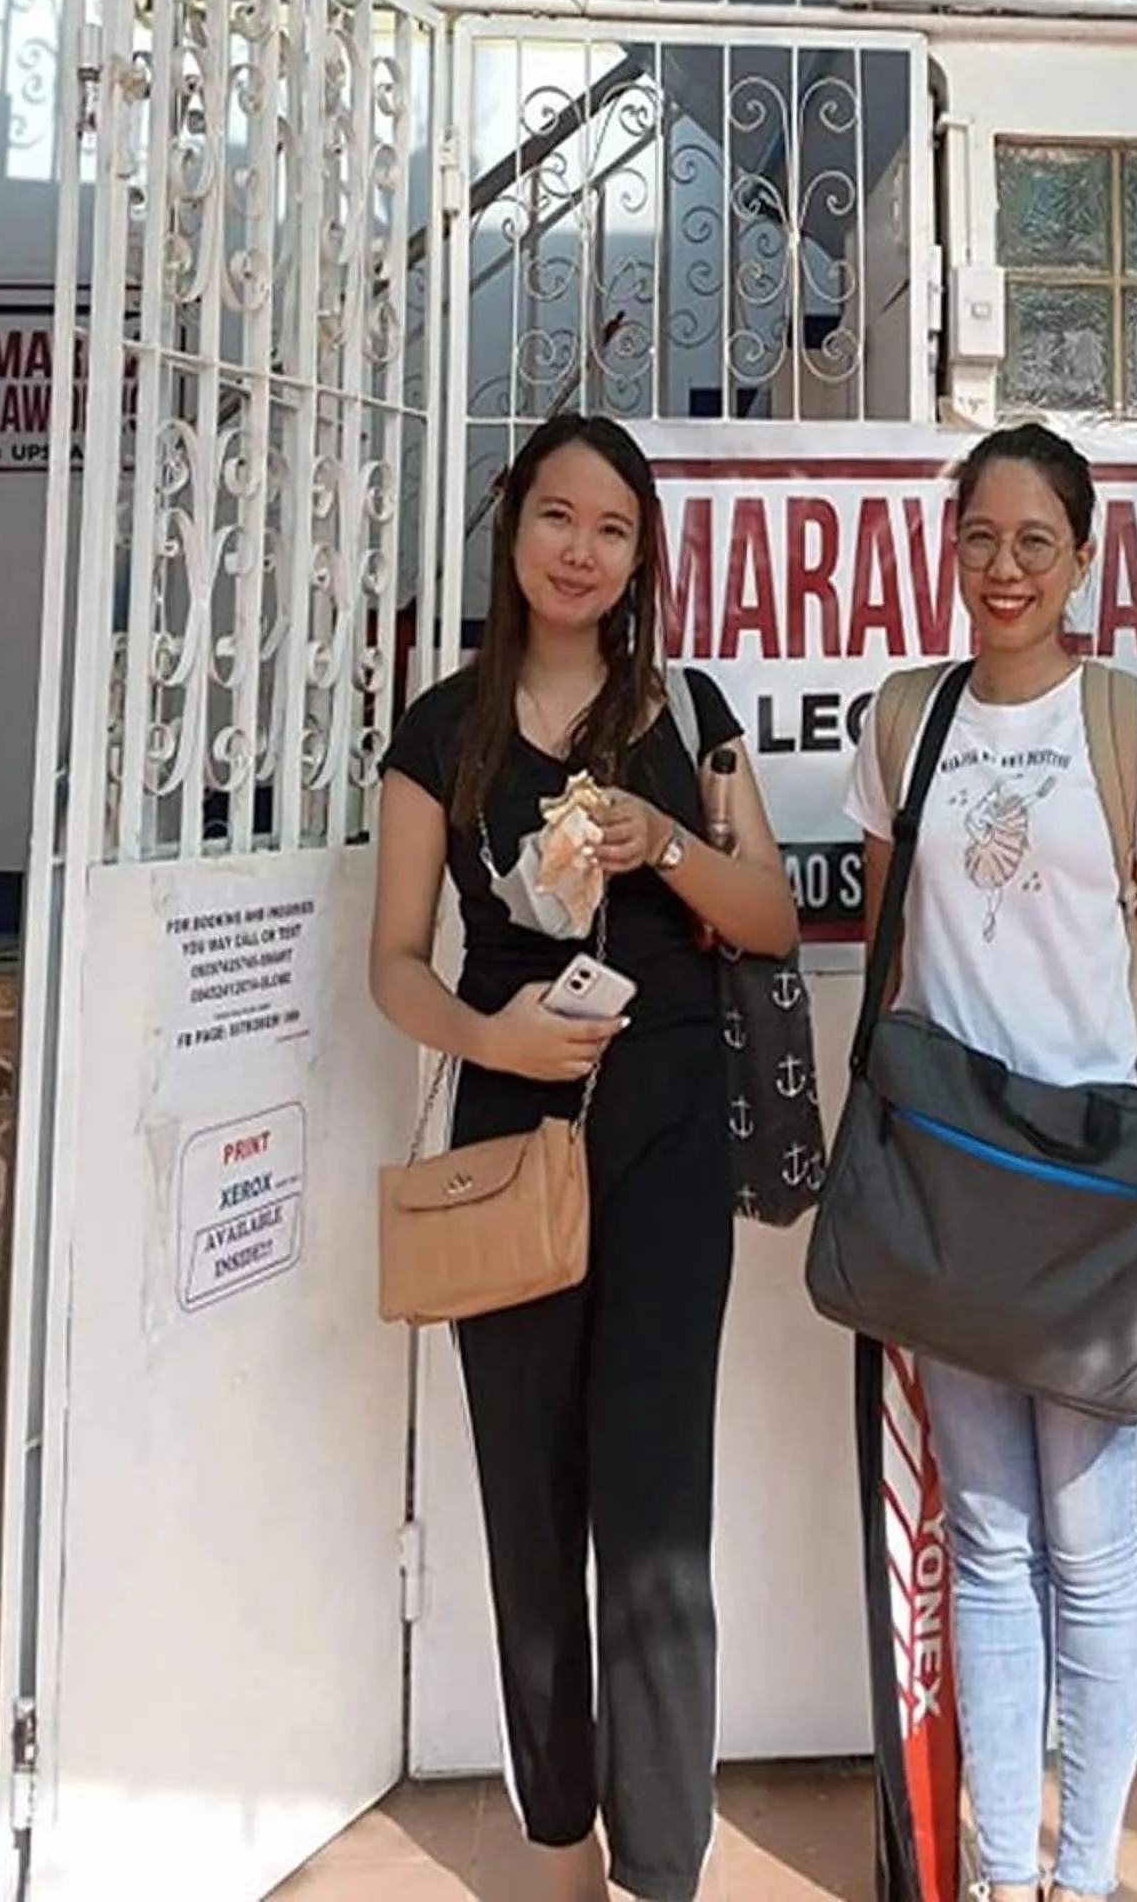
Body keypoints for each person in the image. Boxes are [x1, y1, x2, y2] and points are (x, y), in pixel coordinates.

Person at [370, 413, 796, 1902]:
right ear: (514, 528)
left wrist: (663, 845)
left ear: (640, 558)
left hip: (672, 1130)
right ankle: (560, 1847)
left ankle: (661, 1867)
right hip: (512, 1136)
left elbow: (773, 919)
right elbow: (394, 967)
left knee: (658, 1515)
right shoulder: (442, 728)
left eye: (613, 530)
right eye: (559, 517)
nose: (580, 550)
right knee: (530, 1500)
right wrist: (497, 1046)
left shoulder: (688, 710)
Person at [844, 420, 1137, 1902]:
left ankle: (1087, 1875)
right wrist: (867, 1176)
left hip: (1091, 1195)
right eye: (979, 539)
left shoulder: (1132, 727)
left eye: (1034, 544)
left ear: (1081, 558)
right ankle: (1006, 1873)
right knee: (989, 1540)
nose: (1004, 571)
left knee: (1093, 1545)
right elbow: (888, 969)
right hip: (946, 1181)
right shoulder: (900, 722)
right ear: (953, 548)